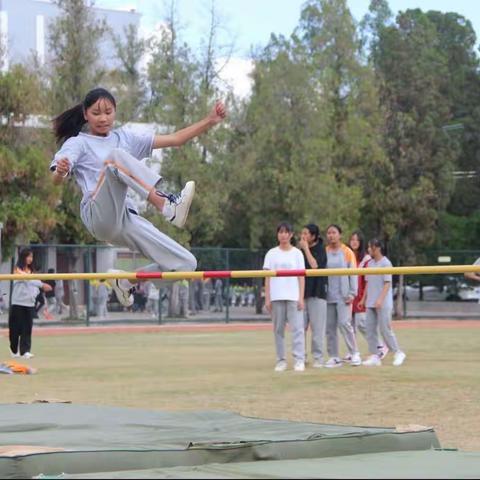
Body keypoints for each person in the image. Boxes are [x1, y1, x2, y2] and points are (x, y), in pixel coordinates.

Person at [50, 88, 226, 306]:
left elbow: (176, 139)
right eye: (96, 113)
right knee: (115, 158)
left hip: (126, 218)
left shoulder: (126, 138)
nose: (103, 118)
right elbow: (56, 180)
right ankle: (167, 205)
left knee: (186, 263)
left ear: (115, 112)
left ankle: (126, 282)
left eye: (108, 112)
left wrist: (209, 120)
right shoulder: (78, 143)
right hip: (97, 214)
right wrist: (60, 171)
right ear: (86, 114)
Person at [263, 222, 306, 372]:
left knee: (298, 329)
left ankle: (299, 360)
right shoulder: (271, 253)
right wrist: (267, 298)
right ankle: (281, 360)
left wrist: (301, 297)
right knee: (278, 330)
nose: (283, 235)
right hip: (277, 297)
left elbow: (301, 277)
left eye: (285, 232)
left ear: (291, 235)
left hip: (293, 296)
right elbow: (267, 278)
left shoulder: (297, 253)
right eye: (280, 232)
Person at [359, 239, 406, 367]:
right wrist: (363, 299)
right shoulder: (369, 264)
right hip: (370, 302)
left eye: (370, 247)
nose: (368, 250)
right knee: (370, 330)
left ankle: (398, 352)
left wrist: (380, 299)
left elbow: (387, 283)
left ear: (377, 248)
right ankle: (375, 355)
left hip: (383, 303)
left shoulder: (386, 263)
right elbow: (368, 283)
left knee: (385, 329)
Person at [324, 224, 361, 368]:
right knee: (330, 327)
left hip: (343, 295)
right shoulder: (325, 251)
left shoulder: (347, 252)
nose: (331, 235)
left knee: (345, 324)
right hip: (328, 296)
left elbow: (353, 273)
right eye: (329, 233)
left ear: (340, 234)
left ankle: (354, 353)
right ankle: (334, 356)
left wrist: (353, 292)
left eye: (334, 232)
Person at [348, 231, 388, 361]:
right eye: (352, 239)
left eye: (356, 240)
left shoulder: (366, 260)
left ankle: (380, 346)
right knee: (349, 325)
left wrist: (364, 297)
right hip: (349, 294)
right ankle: (353, 351)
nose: (354, 242)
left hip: (361, 295)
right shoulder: (348, 256)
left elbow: (367, 280)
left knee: (362, 323)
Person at [8, 249, 52, 359]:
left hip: (29, 304)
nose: (30, 259)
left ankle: (25, 351)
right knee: (15, 329)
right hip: (18, 303)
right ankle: (13, 350)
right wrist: (41, 284)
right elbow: (27, 279)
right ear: (23, 257)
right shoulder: (17, 269)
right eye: (28, 256)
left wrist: (38, 289)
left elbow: (33, 284)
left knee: (27, 328)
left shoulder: (31, 272)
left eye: (32, 257)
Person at [298, 223, 327, 368]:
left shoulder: (321, 249)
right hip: (302, 295)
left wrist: (306, 249)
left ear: (314, 236)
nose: (302, 236)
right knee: (300, 327)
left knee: (317, 329)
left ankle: (318, 358)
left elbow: (315, 266)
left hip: (317, 294)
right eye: (301, 233)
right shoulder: (298, 252)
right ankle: (301, 357)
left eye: (306, 233)